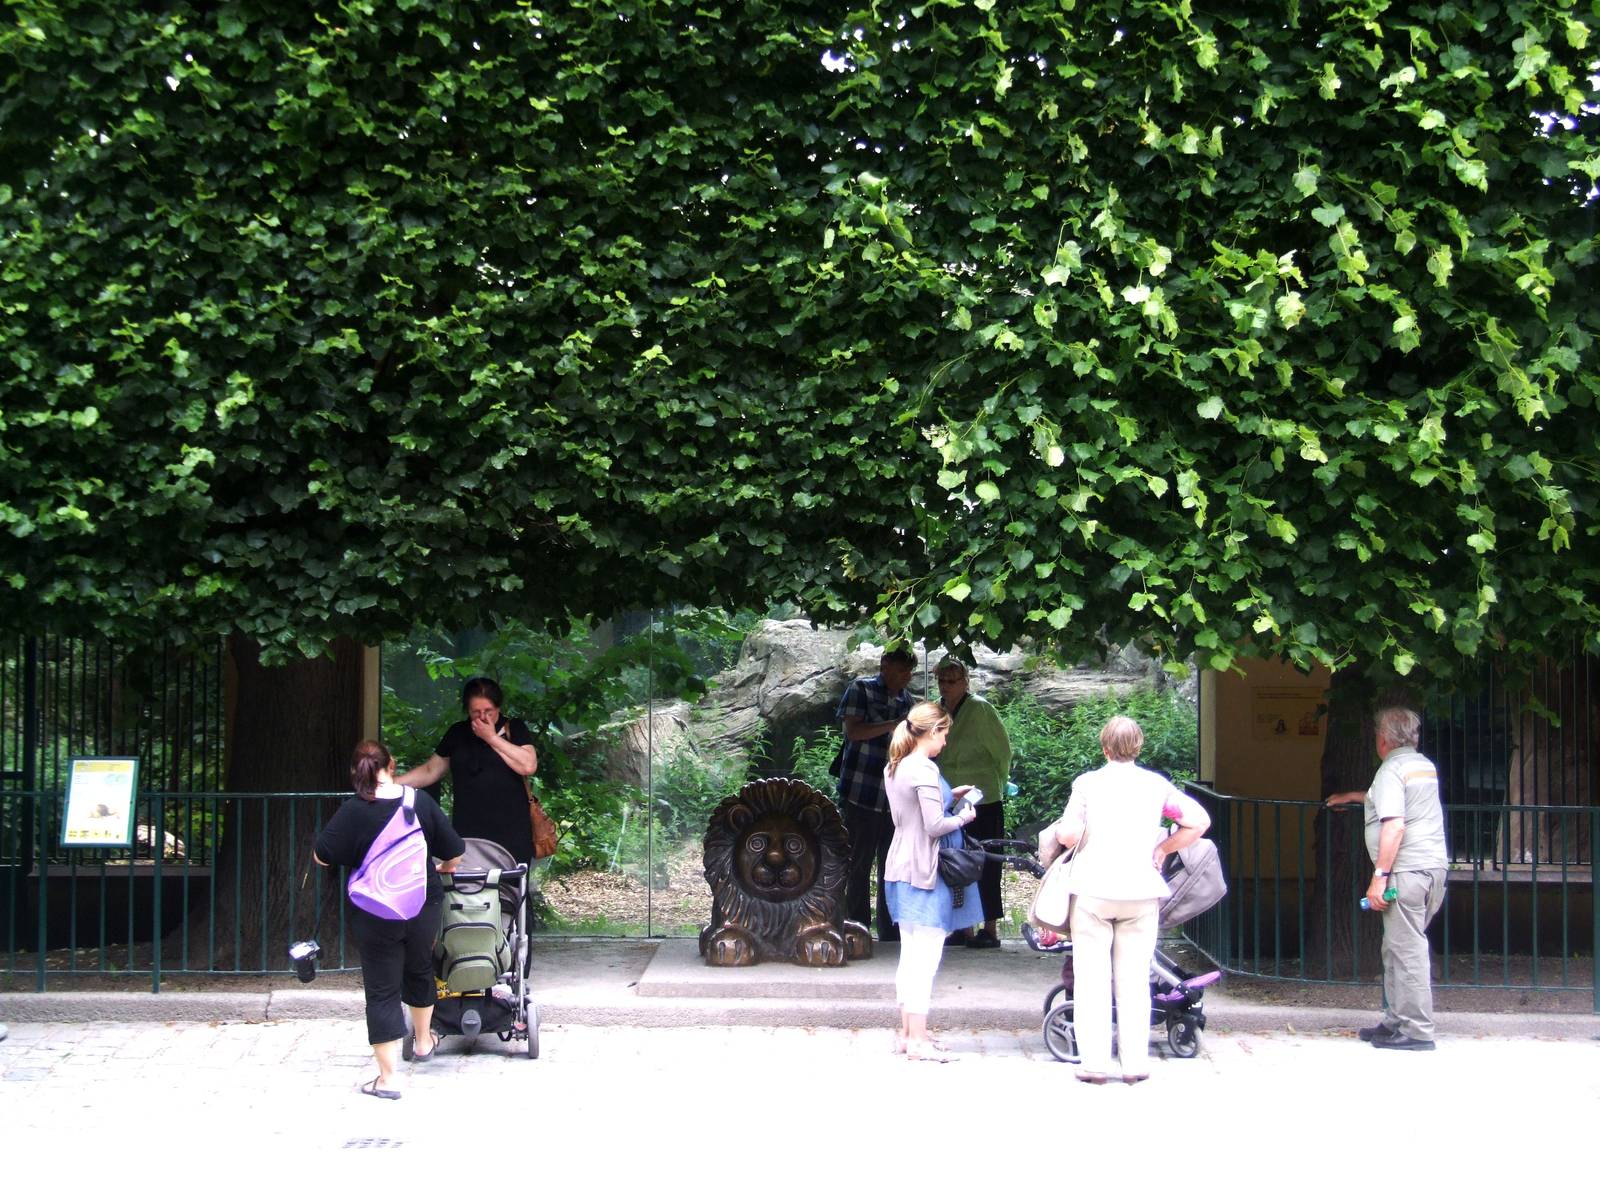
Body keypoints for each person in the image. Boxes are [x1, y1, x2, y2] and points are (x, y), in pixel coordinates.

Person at [1042, 715, 1210, 1084]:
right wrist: (1164, 848)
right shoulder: (1156, 786)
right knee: (1134, 979)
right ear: (1139, 746)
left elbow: (1068, 835)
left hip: (1094, 891)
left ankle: (1095, 1064)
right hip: (1141, 891)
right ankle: (1135, 1064)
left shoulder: (1088, 784)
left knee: (1091, 979)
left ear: (1104, 747)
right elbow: (1198, 821)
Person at [314, 739, 464, 1099]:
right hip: (421, 906)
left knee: (382, 990)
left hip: (375, 911)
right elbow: (455, 852)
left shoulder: (353, 810)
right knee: (419, 969)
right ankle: (425, 1042)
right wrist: (442, 867)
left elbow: (322, 856)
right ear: (391, 764)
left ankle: (388, 1078)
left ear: (357, 771)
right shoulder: (418, 802)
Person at [1325, 706, 1449, 1051]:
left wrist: (1379, 876)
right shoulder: (1421, 765)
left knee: (1407, 950)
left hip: (1406, 872)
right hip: (1431, 869)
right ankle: (1395, 1022)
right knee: (1397, 946)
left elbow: (1394, 824)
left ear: (1381, 740)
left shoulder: (1391, 770)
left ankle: (1417, 1031)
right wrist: (1355, 797)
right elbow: (1401, 802)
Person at [881, 701, 980, 1061]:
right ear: (933, 731)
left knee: (910, 955)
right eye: (945, 734)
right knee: (925, 958)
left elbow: (911, 810)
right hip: (925, 871)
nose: (946, 743)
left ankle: (909, 1034)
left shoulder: (896, 766)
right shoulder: (923, 768)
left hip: (899, 868)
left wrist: (948, 796)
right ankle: (920, 1041)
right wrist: (965, 817)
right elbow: (934, 825)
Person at [398, 676, 540, 865]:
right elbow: (431, 770)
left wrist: (491, 737)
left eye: (488, 711)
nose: (483, 717)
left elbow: (528, 765)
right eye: (476, 712)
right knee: (470, 888)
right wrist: (392, 783)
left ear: (498, 708)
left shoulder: (514, 728)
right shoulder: (457, 732)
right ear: (467, 711)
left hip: (511, 829)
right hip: (469, 828)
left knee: (510, 887)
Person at [835, 647, 916, 941]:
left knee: (892, 866)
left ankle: (889, 930)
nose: (906, 677)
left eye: (909, 672)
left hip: (894, 800)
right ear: (885, 666)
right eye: (902, 670)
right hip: (861, 792)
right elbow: (853, 732)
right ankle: (856, 929)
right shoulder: (861, 689)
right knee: (858, 863)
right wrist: (893, 726)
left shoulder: (909, 700)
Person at [934, 658, 1011, 948]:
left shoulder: (980, 709)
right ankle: (961, 927)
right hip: (948, 799)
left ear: (966, 681)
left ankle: (989, 929)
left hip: (984, 797)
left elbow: (1002, 752)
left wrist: (1000, 782)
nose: (947, 686)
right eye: (942, 680)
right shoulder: (937, 710)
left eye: (953, 680)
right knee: (954, 861)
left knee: (987, 862)